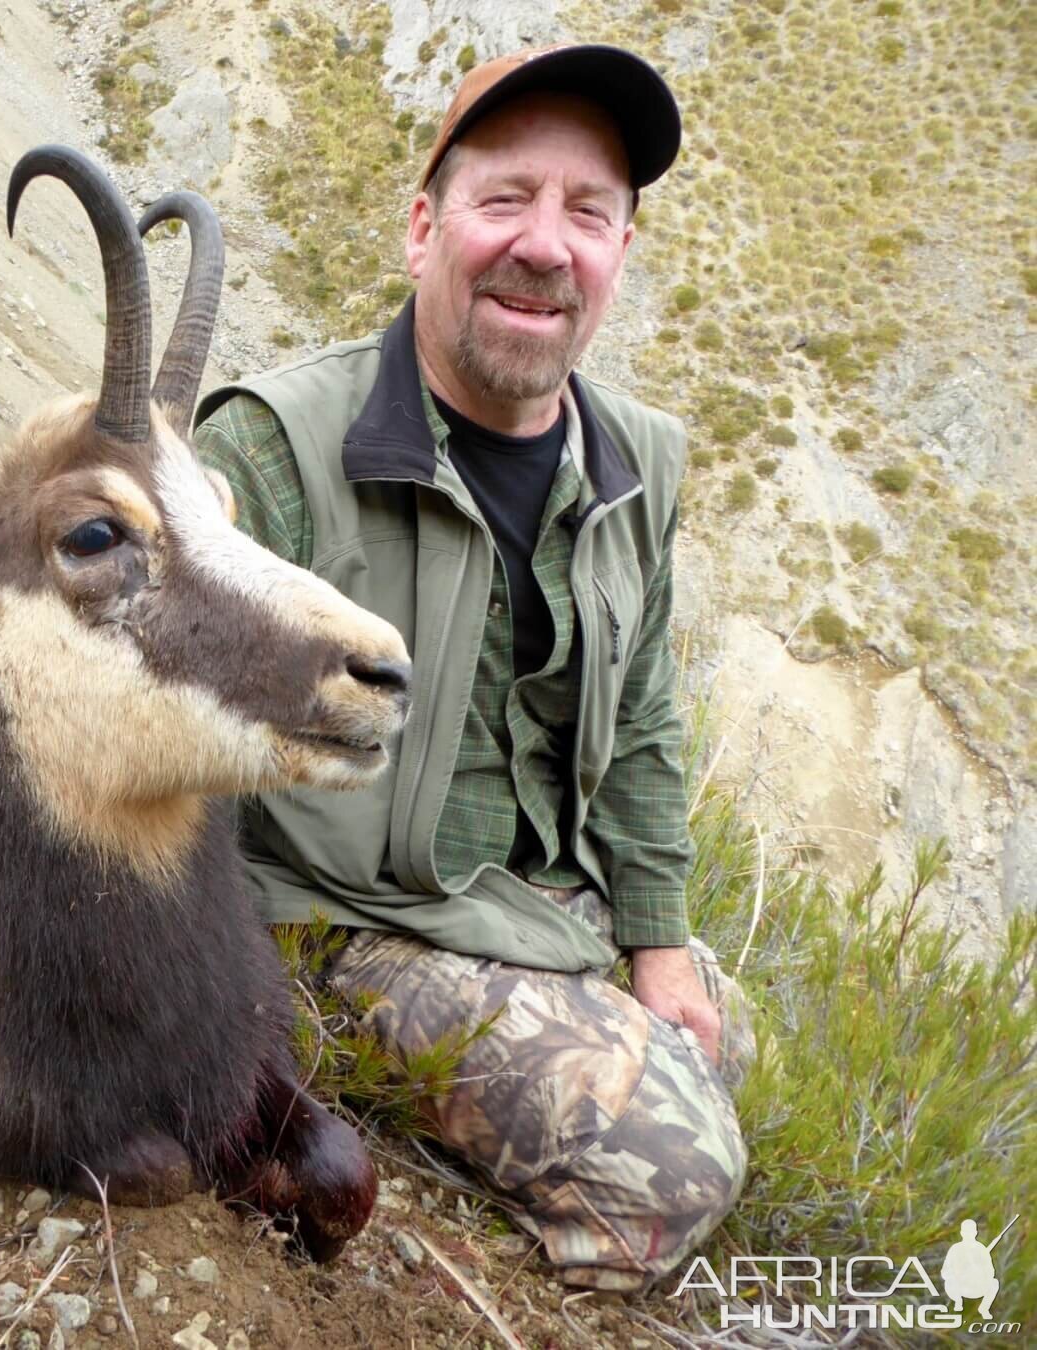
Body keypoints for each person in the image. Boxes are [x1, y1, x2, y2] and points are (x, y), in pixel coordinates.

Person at [192, 43, 753, 1291]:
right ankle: (446, 1280)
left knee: (721, 1034)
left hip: (533, 906)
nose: (546, 247)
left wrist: (656, 944)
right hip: (341, 925)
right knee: (681, 1168)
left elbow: (648, 721)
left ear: (617, 254)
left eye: (587, 214)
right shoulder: (282, 445)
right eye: (506, 200)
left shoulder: (635, 462)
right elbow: (157, 676)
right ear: (422, 228)